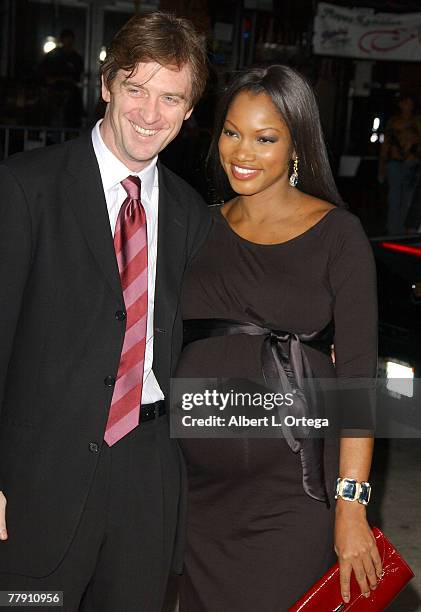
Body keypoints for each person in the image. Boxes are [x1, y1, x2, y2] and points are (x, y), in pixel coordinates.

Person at [0, 12, 209, 612]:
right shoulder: (25, 188)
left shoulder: (194, 215)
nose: (150, 114)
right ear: (107, 83)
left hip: (148, 475)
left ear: (190, 111)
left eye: (171, 97)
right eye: (137, 88)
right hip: (41, 473)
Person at [176, 65, 381, 610]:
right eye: (232, 132)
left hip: (294, 490)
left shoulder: (338, 233)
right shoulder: (198, 226)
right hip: (198, 496)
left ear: (296, 145)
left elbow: (360, 377)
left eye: (265, 138)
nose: (243, 152)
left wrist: (352, 505)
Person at [379, 93, 421, 235]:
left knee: (408, 199)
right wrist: (382, 165)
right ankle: (393, 231)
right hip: (394, 164)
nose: (408, 105)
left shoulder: (417, 121)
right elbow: (386, 145)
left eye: (410, 102)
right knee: (394, 198)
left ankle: (404, 232)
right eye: (405, 102)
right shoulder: (393, 121)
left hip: (411, 164)